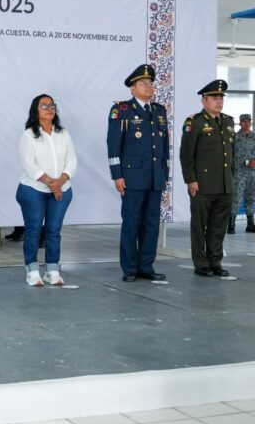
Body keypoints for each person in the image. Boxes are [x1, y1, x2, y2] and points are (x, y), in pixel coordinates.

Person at [107, 64, 169, 282]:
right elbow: (113, 145)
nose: (148, 86)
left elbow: (164, 146)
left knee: (151, 224)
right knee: (131, 222)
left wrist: (164, 173)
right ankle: (130, 268)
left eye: (150, 83)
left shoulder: (159, 111)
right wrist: (117, 175)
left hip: (154, 178)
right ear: (132, 89)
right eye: (143, 83)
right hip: (132, 177)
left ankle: (146, 266)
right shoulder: (122, 110)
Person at [16, 94, 77, 286]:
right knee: (34, 230)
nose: (49, 108)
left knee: (54, 231)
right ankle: (32, 271)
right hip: (34, 190)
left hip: (62, 189)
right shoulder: (28, 135)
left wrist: (61, 181)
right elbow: (29, 165)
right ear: (36, 110)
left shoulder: (63, 133)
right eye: (44, 106)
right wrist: (52, 183)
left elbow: (72, 161)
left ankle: (52, 270)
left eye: (52, 105)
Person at [180, 80, 235, 277]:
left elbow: (232, 154)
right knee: (199, 226)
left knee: (218, 227)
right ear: (204, 101)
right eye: (214, 98)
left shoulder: (228, 121)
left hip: (225, 185)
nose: (218, 101)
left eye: (221, 98)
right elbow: (186, 154)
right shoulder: (194, 122)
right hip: (202, 185)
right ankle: (201, 262)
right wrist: (190, 180)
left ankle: (215, 261)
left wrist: (232, 180)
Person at [229, 113, 255, 233]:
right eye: (244, 121)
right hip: (239, 173)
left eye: (248, 120)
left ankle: (250, 224)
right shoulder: (234, 138)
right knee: (236, 198)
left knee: (251, 198)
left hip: (252, 173)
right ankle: (231, 225)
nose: (246, 123)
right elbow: (229, 155)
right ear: (240, 123)